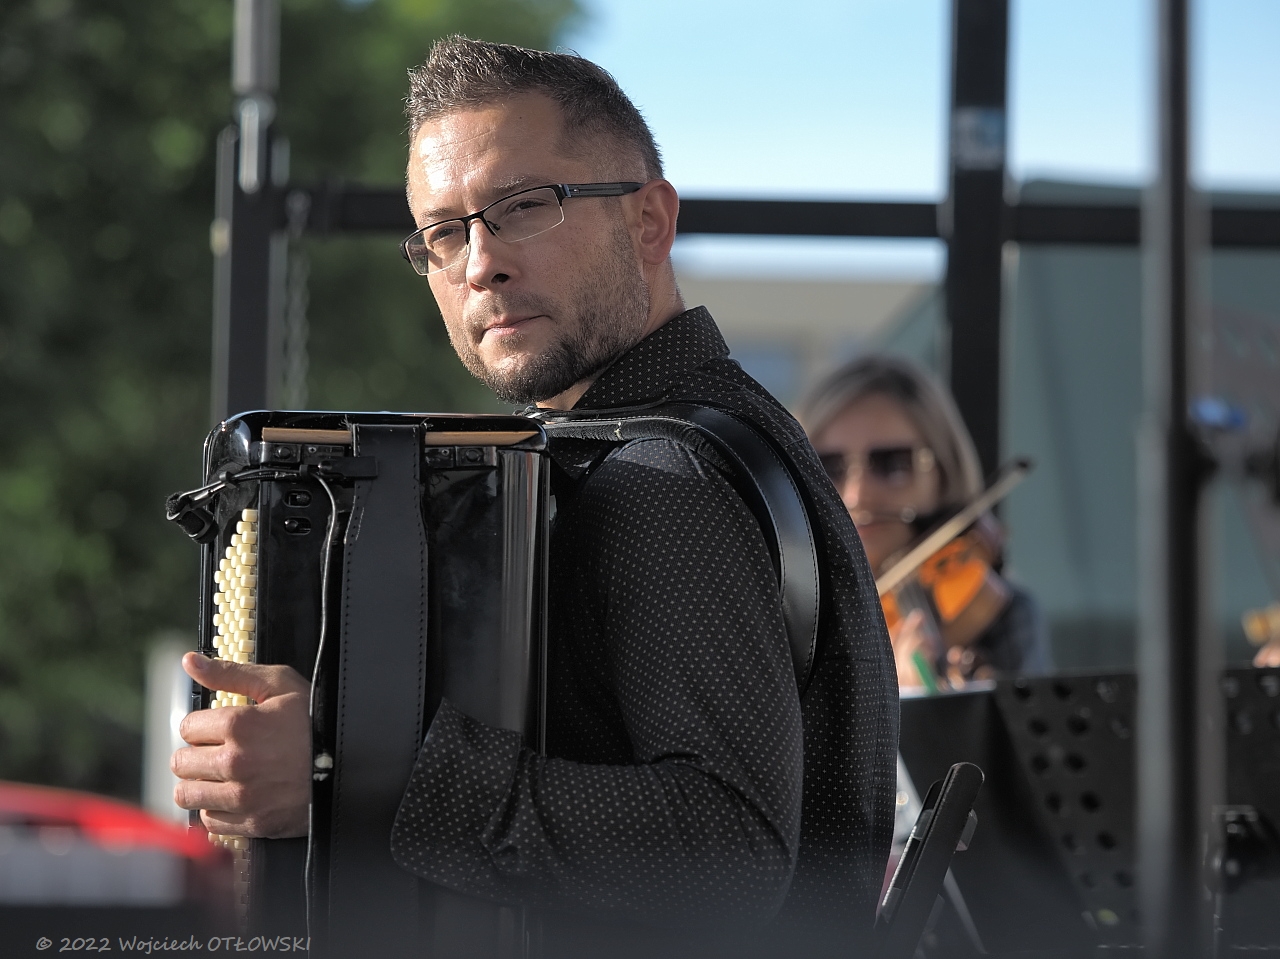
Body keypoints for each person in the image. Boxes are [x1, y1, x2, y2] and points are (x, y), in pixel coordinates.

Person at [171, 37, 897, 956]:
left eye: (522, 207)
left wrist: (343, 772)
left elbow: (729, 853)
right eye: (444, 232)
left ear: (649, 223)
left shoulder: (664, 476)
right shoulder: (671, 440)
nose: (480, 263)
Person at [799, 355, 1051, 690]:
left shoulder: (1003, 616)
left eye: (893, 464)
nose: (857, 495)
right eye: (827, 467)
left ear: (943, 474)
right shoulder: (779, 620)